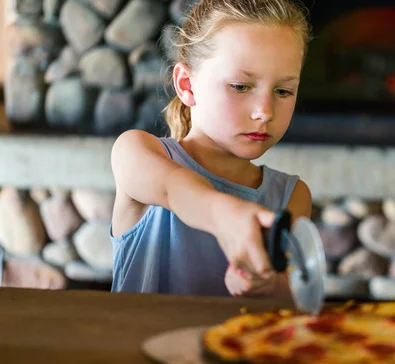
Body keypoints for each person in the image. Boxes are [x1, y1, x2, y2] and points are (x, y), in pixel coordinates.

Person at [109, 0, 313, 298]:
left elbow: (290, 299)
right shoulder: (137, 153)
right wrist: (224, 216)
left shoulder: (292, 197)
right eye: (241, 86)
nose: (264, 112)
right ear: (187, 85)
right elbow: (175, 189)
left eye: (283, 91)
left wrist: (270, 285)